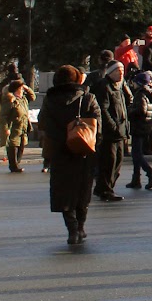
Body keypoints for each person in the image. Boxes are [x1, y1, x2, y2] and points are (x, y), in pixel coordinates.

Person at [38, 66, 99, 245]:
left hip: (59, 150)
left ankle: (72, 229)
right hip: (83, 150)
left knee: (64, 191)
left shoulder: (50, 99)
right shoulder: (88, 97)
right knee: (83, 190)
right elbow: (97, 123)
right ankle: (80, 227)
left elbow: (43, 123)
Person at [91, 63, 131, 202]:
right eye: (118, 71)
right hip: (110, 133)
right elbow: (103, 109)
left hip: (120, 131)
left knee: (118, 161)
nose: (121, 73)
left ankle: (104, 187)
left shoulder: (118, 86)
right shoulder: (104, 87)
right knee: (108, 162)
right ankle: (106, 190)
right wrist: (113, 126)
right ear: (110, 72)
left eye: (122, 70)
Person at [123, 70, 152, 191]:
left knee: (137, 154)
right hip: (146, 126)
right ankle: (136, 179)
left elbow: (141, 110)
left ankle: (151, 174)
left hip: (139, 126)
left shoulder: (140, 94)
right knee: (137, 154)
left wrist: (128, 111)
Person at [0, 73, 35, 173]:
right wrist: (5, 129)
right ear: (16, 90)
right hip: (14, 127)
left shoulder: (23, 99)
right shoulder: (10, 101)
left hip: (23, 126)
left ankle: (17, 163)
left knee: (21, 145)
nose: (22, 91)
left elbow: (33, 96)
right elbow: (3, 116)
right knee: (13, 146)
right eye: (21, 89)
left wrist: (26, 87)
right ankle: (14, 166)